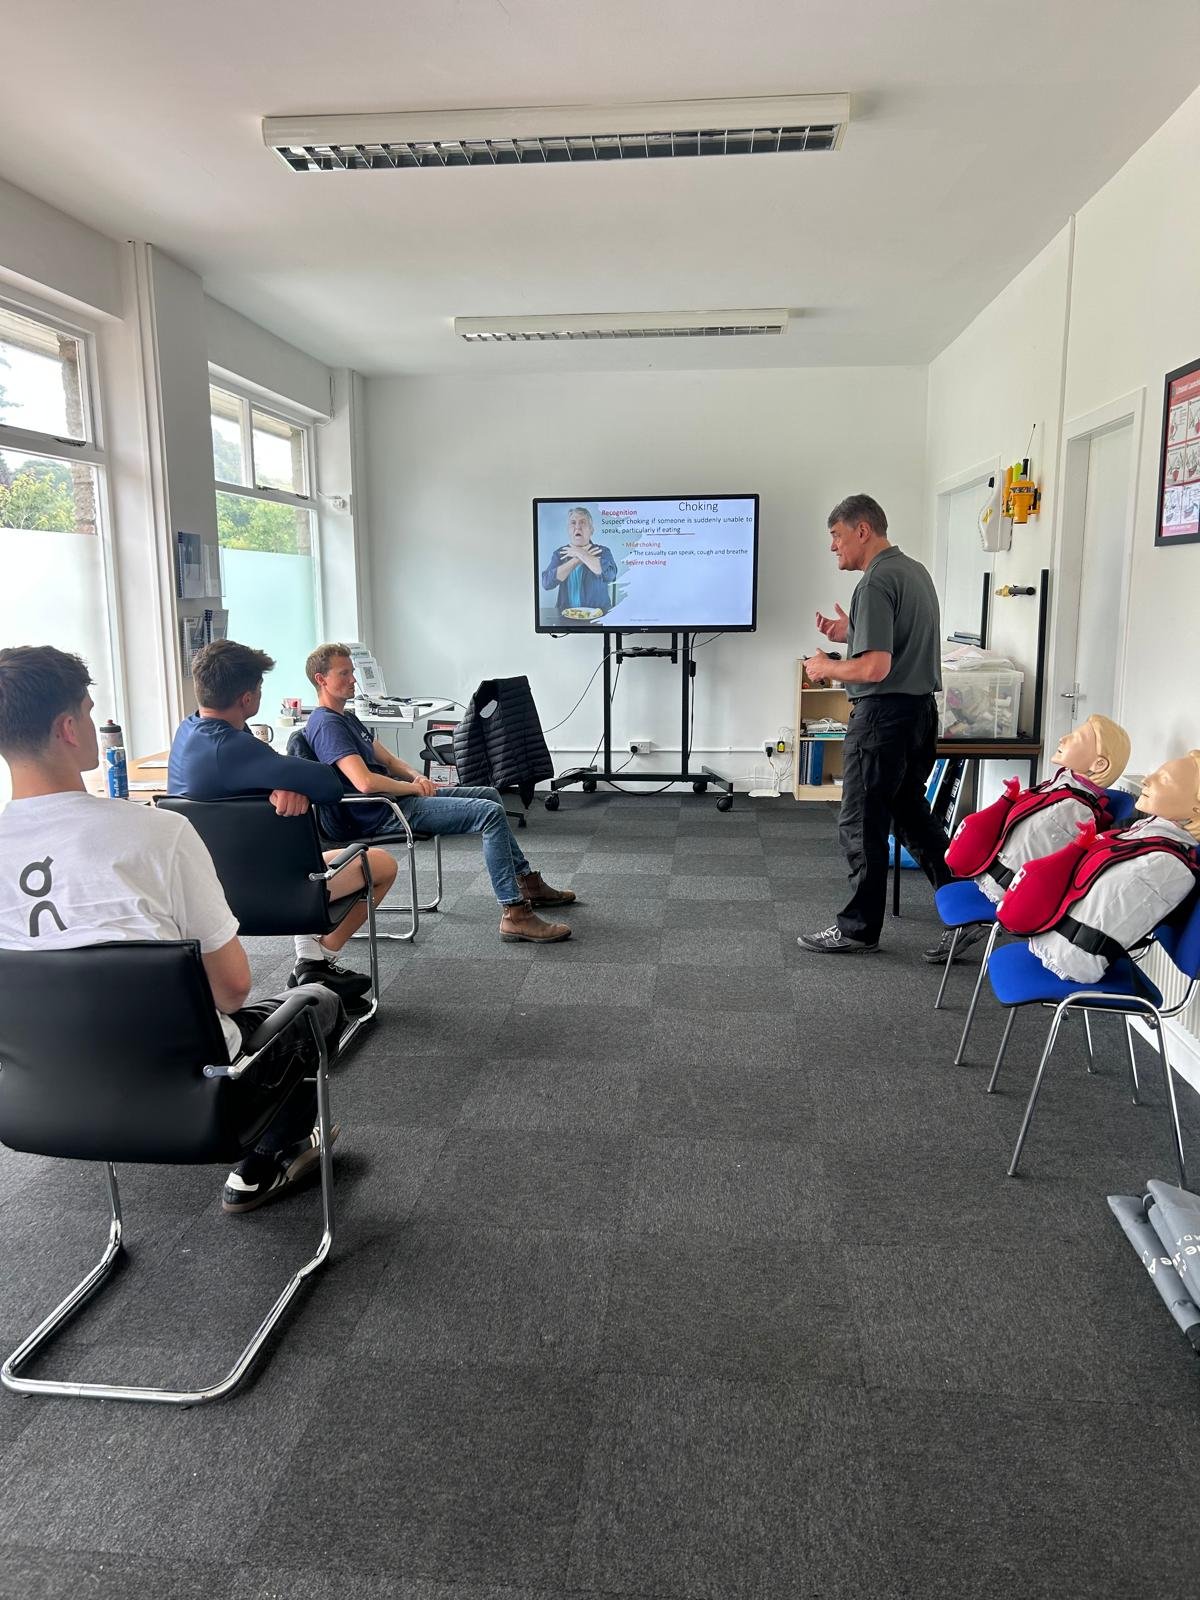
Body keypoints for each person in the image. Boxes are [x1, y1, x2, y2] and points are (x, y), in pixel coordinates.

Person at [0, 644, 343, 1214]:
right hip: (191, 1099)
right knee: (318, 1002)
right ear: (66, 728)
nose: (95, 723)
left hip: (36, 1102)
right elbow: (232, 990)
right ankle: (274, 1156)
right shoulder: (158, 833)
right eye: (88, 711)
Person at [168, 639, 398, 1001]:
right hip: (268, 889)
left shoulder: (188, 732)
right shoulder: (235, 748)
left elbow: (253, 769)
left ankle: (311, 963)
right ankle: (322, 958)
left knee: (325, 859)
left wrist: (278, 780)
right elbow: (326, 782)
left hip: (212, 884)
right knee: (382, 865)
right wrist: (287, 780)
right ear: (248, 698)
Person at [302, 643, 575, 943]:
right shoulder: (326, 725)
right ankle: (514, 913)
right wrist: (412, 788)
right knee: (490, 815)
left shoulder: (347, 718)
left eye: (353, 672)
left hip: (397, 800)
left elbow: (389, 761)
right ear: (321, 679)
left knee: (489, 796)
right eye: (344, 673)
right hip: (380, 813)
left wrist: (416, 776)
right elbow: (365, 783)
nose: (353, 679)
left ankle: (527, 883)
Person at [798, 493, 952, 954]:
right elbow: (896, 642)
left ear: (862, 530)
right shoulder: (913, 571)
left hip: (884, 718)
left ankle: (857, 929)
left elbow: (874, 669)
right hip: (919, 716)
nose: (833, 547)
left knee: (862, 823)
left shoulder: (875, 582)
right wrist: (852, 631)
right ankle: (970, 911)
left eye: (836, 536)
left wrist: (825, 666)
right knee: (910, 817)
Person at [541, 506, 618, 617]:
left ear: (591, 530)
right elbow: (547, 583)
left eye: (583, 522)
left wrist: (582, 554)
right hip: (566, 617)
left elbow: (610, 576)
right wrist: (577, 559)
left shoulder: (603, 551)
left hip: (598, 617)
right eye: (573, 523)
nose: (577, 527)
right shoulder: (560, 554)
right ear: (568, 530)